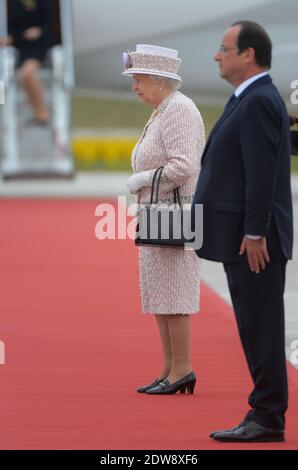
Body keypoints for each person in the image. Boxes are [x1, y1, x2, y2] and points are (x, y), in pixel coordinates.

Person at [192, 21, 293, 441]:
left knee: (261, 326)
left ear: (248, 54)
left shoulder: (257, 101)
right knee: (253, 326)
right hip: (243, 238)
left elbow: (262, 174)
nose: (217, 55)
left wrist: (255, 232)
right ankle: (264, 412)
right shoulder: (247, 99)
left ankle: (268, 416)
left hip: (254, 242)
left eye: (224, 48)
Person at [122, 44, 205, 394]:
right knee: (160, 292)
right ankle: (170, 368)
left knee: (174, 293)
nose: (135, 87)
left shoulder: (179, 110)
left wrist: (142, 179)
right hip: (158, 212)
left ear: (159, 80)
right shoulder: (164, 108)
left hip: (176, 212)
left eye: (139, 79)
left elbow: (184, 166)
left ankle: (182, 369)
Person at [0, 0, 53, 124]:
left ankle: (42, 112)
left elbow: (50, 21)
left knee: (26, 74)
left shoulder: (44, 3)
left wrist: (39, 30)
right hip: (21, 44)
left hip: (38, 45)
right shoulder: (15, 4)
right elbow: (13, 25)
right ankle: (38, 111)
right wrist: (11, 37)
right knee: (21, 77)